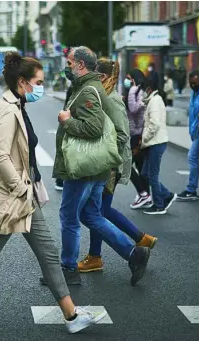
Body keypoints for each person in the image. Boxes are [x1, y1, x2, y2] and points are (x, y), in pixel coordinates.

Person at [0, 51, 107, 336]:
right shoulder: (6, 110)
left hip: (23, 197)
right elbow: (0, 156)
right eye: (38, 82)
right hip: (10, 198)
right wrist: (20, 188)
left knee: (49, 254)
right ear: (23, 82)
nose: (40, 87)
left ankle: (71, 315)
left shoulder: (18, 105)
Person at [54, 46, 151, 286]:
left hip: (85, 168)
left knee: (69, 217)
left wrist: (68, 123)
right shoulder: (89, 87)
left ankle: (68, 269)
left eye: (69, 63)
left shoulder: (88, 91)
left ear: (81, 65)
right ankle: (134, 253)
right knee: (92, 216)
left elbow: (94, 128)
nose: (66, 67)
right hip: (95, 169)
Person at [78, 58, 157, 272]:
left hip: (109, 165)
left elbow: (122, 134)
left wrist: (102, 153)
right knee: (100, 212)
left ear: (102, 77)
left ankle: (104, 255)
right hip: (106, 163)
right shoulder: (103, 96)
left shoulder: (111, 100)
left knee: (94, 214)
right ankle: (140, 239)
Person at [141, 78, 177, 215]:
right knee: (145, 173)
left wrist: (144, 138)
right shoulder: (153, 100)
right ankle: (166, 195)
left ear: (149, 89)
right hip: (153, 142)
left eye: (144, 89)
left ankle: (159, 205)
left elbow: (155, 123)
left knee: (152, 175)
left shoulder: (155, 101)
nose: (142, 92)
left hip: (156, 142)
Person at [178, 69, 199, 201]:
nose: (193, 86)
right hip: (195, 132)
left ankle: (191, 189)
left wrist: (198, 128)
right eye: (191, 83)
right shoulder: (194, 92)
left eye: (195, 83)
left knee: (192, 157)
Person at [125, 69, 151, 209]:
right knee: (141, 168)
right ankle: (146, 194)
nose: (127, 81)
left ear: (134, 79)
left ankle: (143, 194)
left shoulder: (137, 91)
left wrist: (131, 92)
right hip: (136, 134)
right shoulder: (136, 92)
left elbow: (134, 109)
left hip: (137, 134)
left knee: (126, 165)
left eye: (129, 78)